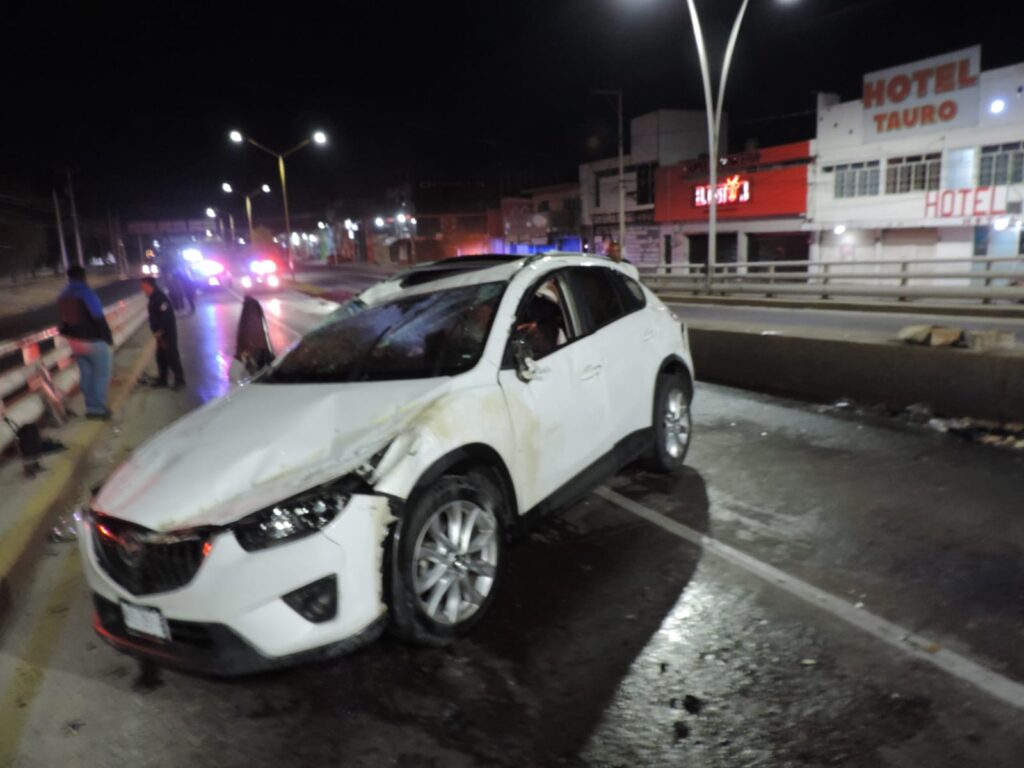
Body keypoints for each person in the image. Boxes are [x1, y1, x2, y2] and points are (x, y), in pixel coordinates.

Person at [57, 266, 114, 420]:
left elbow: (63, 322)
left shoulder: (62, 296)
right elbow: (98, 317)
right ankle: (98, 409)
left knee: (87, 374)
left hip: (75, 343)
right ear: (83, 277)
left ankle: (90, 407)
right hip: (92, 340)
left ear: (69, 278)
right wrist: (108, 337)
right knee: (101, 374)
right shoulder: (86, 293)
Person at [141, 277, 186, 389]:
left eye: (143, 286)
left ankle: (180, 381)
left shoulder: (160, 298)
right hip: (160, 335)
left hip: (167, 333)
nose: (142, 289)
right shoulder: (153, 298)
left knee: (172, 357)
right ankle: (163, 380)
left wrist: (161, 330)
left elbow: (167, 316)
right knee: (161, 357)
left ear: (148, 285)